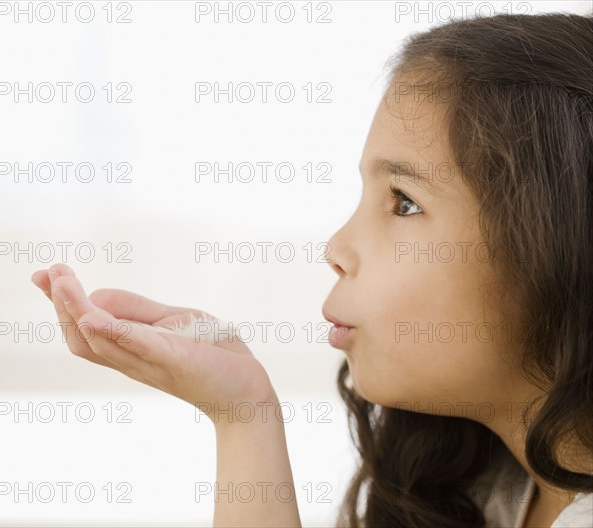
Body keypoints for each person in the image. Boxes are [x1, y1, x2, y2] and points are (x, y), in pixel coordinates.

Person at [32, 11, 592, 528]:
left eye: (404, 202)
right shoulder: (494, 490)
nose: (337, 247)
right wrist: (243, 412)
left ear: (561, 238)